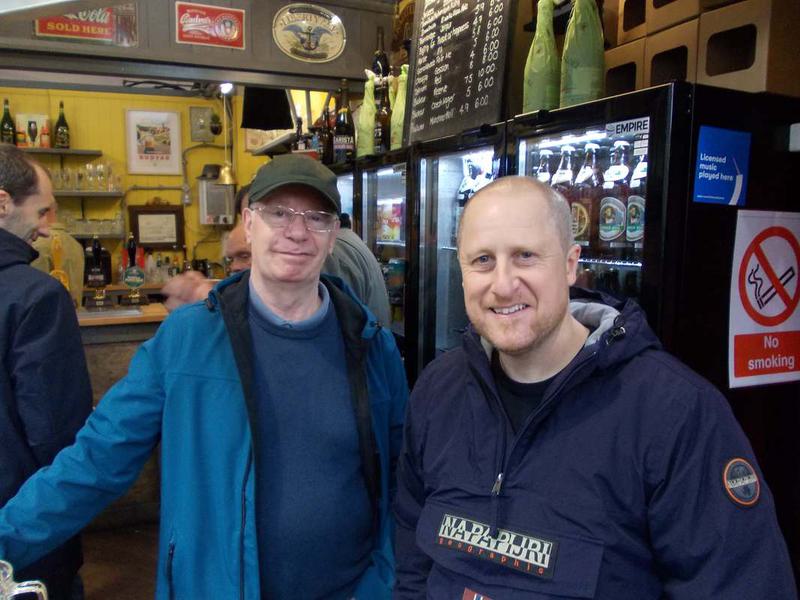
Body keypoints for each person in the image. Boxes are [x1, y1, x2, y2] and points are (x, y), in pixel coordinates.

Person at [0, 154, 408, 599]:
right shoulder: (186, 339)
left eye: (316, 217)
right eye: (278, 213)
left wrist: (383, 581)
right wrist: (6, 538)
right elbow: (97, 458)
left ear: (332, 237)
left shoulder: (372, 345)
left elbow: (403, 478)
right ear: (249, 225)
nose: (297, 231)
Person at [393, 176, 797, 599]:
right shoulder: (438, 391)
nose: (504, 284)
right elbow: (412, 560)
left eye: (526, 256)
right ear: (461, 274)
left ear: (571, 265)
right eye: (482, 260)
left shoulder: (676, 413)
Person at [0, 143, 92, 599]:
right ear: (2, 202)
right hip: (24, 519)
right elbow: (55, 427)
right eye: (40, 211)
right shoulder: (35, 296)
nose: (45, 226)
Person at [324, 212, 392, 326]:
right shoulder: (354, 241)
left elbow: (338, 318)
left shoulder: (336, 250)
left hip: (366, 333)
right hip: (377, 329)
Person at [31, 202, 85, 307]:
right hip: (72, 313)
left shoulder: (37, 244)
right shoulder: (75, 244)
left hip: (48, 314)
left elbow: (34, 294)